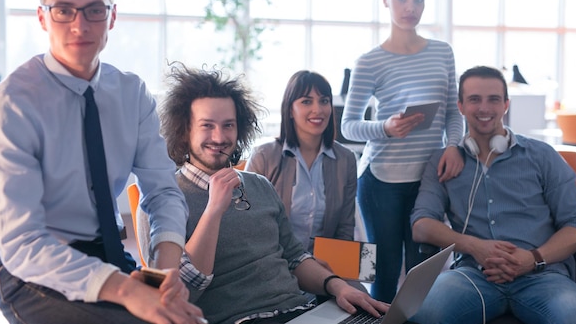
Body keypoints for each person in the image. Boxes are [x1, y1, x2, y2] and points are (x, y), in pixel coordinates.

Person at [0, 0, 203, 324]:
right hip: (34, 269)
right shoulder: (11, 105)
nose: (79, 26)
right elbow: (22, 243)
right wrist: (129, 291)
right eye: (63, 10)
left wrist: (163, 274)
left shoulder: (132, 94)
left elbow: (163, 191)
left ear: (112, 16)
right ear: (42, 17)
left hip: (110, 256)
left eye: (94, 10)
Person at [137, 64, 388, 324]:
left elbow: (294, 256)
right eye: (207, 125)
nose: (219, 136)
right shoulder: (162, 198)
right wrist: (214, 210)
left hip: (302, 310)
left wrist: (337, 286)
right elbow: (177, 296)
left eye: (228, 125)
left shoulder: (259, 185)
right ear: (184, 129)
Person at [409, 65, 576, 323]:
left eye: (494, 99)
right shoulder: (444, 161)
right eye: (475, 99)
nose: (484, 108)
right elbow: (421, 226)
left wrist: (532, 259)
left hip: (543, 275)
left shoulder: (542, 155)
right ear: (461, 106)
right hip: (472, 276)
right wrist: (473, 246)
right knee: (424, 314)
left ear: (506, 104)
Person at [340, 0, 464, 302]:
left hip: (430, 178)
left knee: (423, 275)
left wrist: (454, 145)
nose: (411, 7)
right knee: (384, 274)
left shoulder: (442, 52)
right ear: (386, 1)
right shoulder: (369, 62)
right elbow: (349, 126)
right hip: (381, 181)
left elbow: (454, 113)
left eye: (419, 0)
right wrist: (385, 128)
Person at [245, 70, 357, 253]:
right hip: (275, 262)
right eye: (306, 101)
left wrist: (331, 276)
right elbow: (251, 226)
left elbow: (345, 230)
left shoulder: (346, 160)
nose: (318, 109)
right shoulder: (263, 156)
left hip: (324, 264)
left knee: (358, 281)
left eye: (324, 101)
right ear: (290, 109)